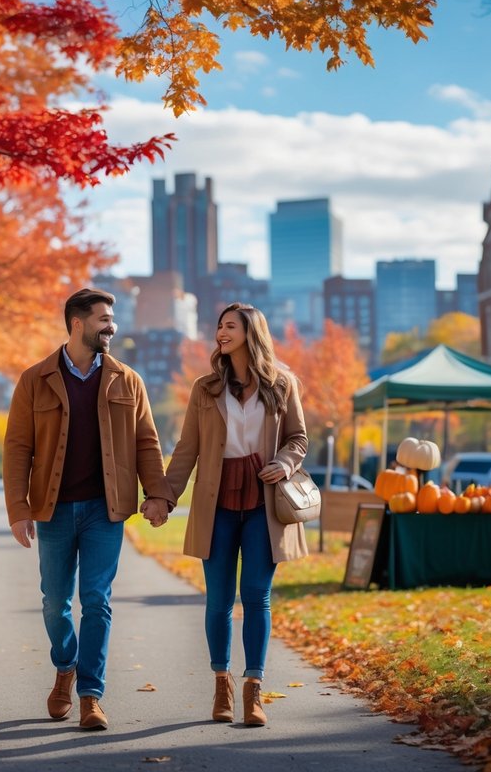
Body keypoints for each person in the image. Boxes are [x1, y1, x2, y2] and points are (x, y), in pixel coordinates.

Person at [3, 288, 173, 731]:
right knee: (54, 601)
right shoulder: (34, 379)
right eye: (103, 318)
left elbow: (147, 443)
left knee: (96, 600)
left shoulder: (127, 380)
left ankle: (90, 696)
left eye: (112, 318)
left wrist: (157, 494)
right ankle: (66, 665)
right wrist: (18, 509)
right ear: (77, 323)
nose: (111, 326)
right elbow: (17, 448)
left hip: (105, 509)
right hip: (53, 509)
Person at [165, 302, 308, 727]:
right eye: (219, 325)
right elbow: (187, 448)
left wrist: (284, 462)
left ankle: (254, 690)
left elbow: (298, 438)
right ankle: (221, 684)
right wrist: (165, 497)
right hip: (218, 503)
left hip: (265, 504)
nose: (221, 333)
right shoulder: (205, 388)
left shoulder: (282, 384)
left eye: (230, 326)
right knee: (220, 601)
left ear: (251, 333)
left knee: (257, 597)